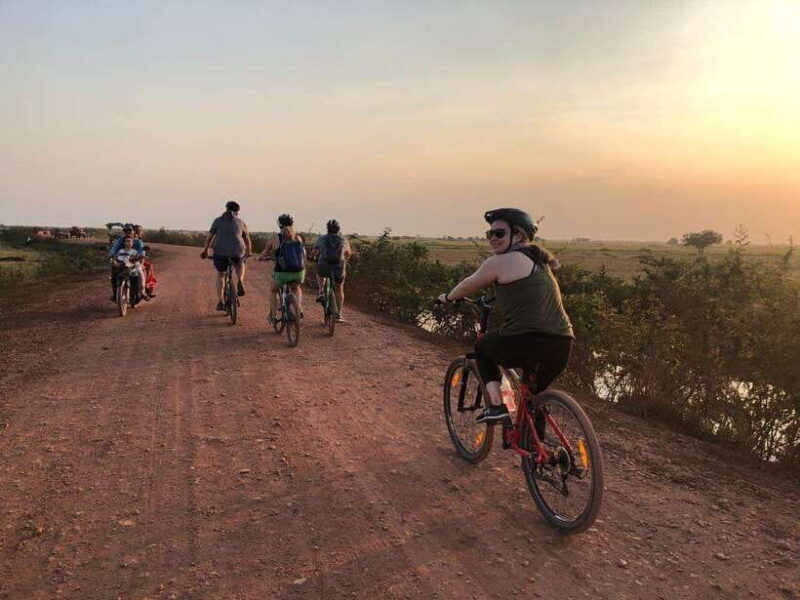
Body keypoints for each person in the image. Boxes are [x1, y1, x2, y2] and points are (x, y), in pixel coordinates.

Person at [437, 208, 573, 424]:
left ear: (518, 235)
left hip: (527, 340)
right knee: (532, 400)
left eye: (499, 233)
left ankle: (496, 406)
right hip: (562, 343)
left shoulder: (500, 262)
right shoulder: (541, 263)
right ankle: (538, 455)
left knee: (482, 348)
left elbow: (466, 287)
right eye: (489, 234)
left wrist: (447, 298)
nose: (492, 239)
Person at [200, 201, 252, 311]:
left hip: (220, 252)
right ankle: (240, 281)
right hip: (237, 252)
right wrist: (249, 252)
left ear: (226, 209)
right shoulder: (240, 222)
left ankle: (220, 301)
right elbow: (247, 239)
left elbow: (209, 238)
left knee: (220, 275)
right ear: (237, 212)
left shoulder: (217, 221)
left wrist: (205, 251)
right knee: (241, 263)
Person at [259, 214, 306, 325]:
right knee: (296, 288)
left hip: (282, 273)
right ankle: (298, 307)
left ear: (279, 225)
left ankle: (274, 316)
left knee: (273, 290)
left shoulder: (275, 238)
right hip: (298, 272)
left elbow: (266, 251)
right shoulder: (298, 238)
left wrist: (260, 257)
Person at [311, 219, 352, 323]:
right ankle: (338, 314)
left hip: (323, 267)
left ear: (327, 229)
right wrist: (344, 261)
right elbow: (348, 254)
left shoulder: (321, 239)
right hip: (338, 269)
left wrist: (313, 257)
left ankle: (321, 291)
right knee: (339, 288)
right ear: (338, 229)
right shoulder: (343, 240)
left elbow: (314, 252)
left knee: (319, 273)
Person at [108, 224, 145, 301]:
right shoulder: (120, 240)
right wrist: (111, 255)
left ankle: (142, 292)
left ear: (134, 231)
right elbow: (114, 249)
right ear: (123, 232)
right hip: (123, 261)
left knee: (140, 271)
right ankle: (115, 294)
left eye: (130, 230)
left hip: (134, 261)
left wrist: (140, 257)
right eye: (125, 230)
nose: (128, 232)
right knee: (114, 275)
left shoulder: (138, 242)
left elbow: (141, 251)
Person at [134, 224, 157, 298]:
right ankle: (147, 286)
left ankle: (147, 286)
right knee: (148, 266)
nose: (140, 232)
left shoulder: (138, 240)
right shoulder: (134, 240)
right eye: (139, 231)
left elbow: (142, 252)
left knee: (149, 266)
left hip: (138, 259)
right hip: (132, 259)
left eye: (140, 231)